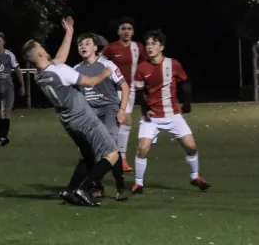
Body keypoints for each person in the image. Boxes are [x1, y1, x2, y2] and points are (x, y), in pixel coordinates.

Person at [22, 17, 128, 206]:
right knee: (112, 154)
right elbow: (91, 82)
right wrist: (105, 73)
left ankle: (71, 190)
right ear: (39, 54)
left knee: (88, 156)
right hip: (85, 119)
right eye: (40, 47)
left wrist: (69, 33)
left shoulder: (40, 74)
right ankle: (85, 188)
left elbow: (59, 60)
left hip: (68, 122)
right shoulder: (61, 71)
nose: (44, 48)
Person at [131, 29, 211, 194]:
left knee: (191, 146)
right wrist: (145, 109)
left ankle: (195, 176)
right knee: (142, 148)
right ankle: (138, 183)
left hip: (173, 114)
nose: (149, 47)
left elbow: (186, 82)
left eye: (154, 43)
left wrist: (187, 102)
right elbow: (138, 92)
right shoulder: (141, 68)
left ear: (162, 47)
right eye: (147, 44)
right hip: (151, 117)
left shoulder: (172, 64)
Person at [74, 32, 130, 197]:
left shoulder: (108, 65)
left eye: (87, 43)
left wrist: (122, 109)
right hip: (90, 113)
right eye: (80, 45)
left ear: (95, 47)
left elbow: (125, 87)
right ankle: (98, 187)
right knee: (91, 150)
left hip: (109, 110)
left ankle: (120, 187)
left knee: (110, 146)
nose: (83, 46)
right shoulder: (76, 69)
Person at [102, 17, 146, 172]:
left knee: (122, 122)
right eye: (123, 28)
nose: (126, 31)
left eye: (129, 28)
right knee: (120, 122)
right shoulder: (111, 48)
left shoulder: (138, 47)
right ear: (118, 31)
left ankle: (118, 157)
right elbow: (100, 64)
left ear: (133, 31)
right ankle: (116, 156)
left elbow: (144, 65)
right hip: (113, 90)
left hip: (130, 90)